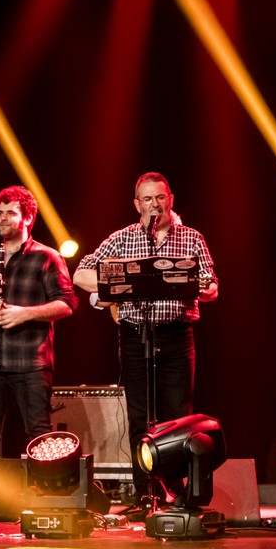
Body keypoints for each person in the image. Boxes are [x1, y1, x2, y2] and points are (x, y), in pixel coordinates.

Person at [73, 172, 219, 501]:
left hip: (176, 335)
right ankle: (145, 491)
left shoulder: (191, 237)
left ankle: (177, 489)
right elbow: (80, 274)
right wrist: (121, 285)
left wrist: (200, 287)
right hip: (135, 336)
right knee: (140, 416)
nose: (155, 204)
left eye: (160, 197)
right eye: (148, 199)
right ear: (137, 204)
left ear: (171, 200)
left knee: (178, 415)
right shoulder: (121, 239)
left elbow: (212, 286)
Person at [0, 186, 78, 458]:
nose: (2, 218)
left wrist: (24, 313)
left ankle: (43, 485)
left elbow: (67, 304)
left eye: (10, 213)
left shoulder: (47, 257)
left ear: (28, 218)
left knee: (39, 433)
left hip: (30, 362)